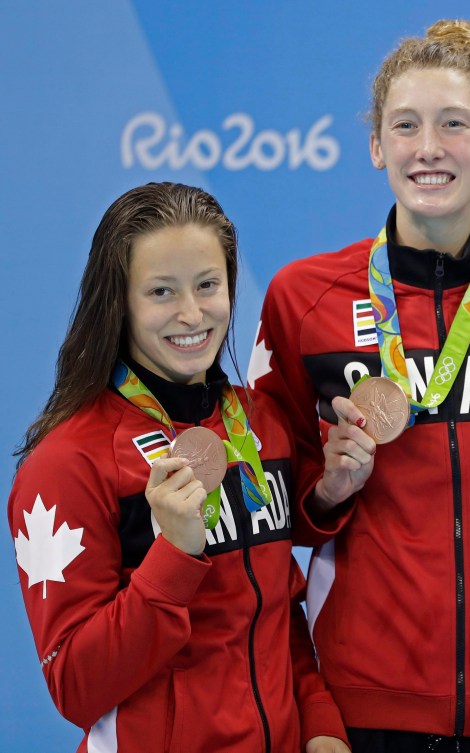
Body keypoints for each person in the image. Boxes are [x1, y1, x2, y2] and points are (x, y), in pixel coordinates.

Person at [248, 19, 470, 753]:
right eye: (405, 126)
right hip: (365, 699)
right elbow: (270, 499)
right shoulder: (302, 299)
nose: (429, 148)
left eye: (454, 124)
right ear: (377, 145)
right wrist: (328, 492)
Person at [8, 182, 348, 753]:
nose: (191, 314)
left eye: (207, 285)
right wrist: (175, 556)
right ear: (119, 301)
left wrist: (317, 722)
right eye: (161, 291)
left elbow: (275, 616)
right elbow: (75, 687)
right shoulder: (66, 464)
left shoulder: (262, 425)